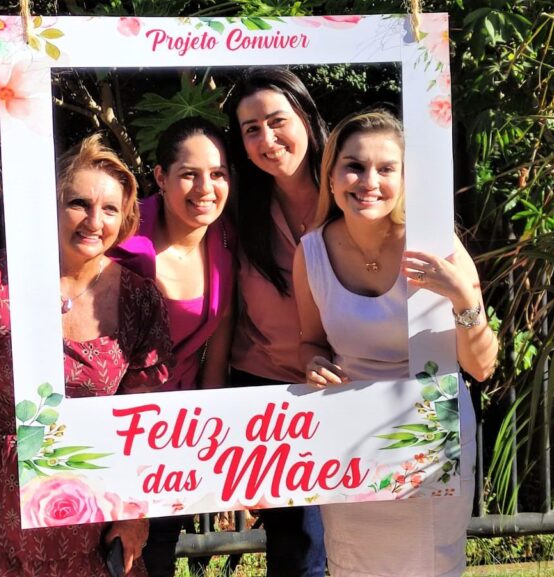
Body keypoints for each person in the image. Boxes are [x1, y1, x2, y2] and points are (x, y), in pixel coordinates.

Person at [0, 134, 172, 577]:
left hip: (93, 514)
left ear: (126, 218)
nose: (94, 221)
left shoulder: (139, 299)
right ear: (49, 207)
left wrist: (135, 513)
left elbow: (142, 416)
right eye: (78, 203)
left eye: (110, 209)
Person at [293, 110, 499, 577]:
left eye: (386, 169)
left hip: (431, 434)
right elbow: (310, 343)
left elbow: (482, 367)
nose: (369, 181)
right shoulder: (311, 252)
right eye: (354, 166)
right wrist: (315, 363)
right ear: (331, 176)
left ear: (405, 180)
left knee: (433, 565)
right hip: (349, 438)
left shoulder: (437, 247)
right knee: (352, 566)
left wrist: (464, 297)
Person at [109, 117, 236, 577]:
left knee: (155, 556)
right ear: (161, 177)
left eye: (218, 174)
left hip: (173, 437)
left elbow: (217, 350)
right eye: (189, 174)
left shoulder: (226, 242)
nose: (205, 188)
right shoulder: (120, 236)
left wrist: (210, 449)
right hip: (109, 429)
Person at [221, 67, 328, 577]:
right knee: (299, 553)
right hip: (271, 397)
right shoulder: (238, 208)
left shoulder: (357, 187)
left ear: (305, 116)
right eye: (251, 129)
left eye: (277, 121)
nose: (267, 139)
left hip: (355, 388)